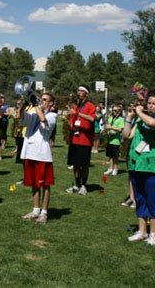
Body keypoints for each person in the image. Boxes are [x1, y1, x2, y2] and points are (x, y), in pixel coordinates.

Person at [122, 86, 155, 246]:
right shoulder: (141, 118)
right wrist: (129, 118)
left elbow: (154, 123)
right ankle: (142, 231)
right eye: (148, 103)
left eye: (153, 103)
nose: (150, 105)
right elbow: (127, 135)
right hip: (138, 165)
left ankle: (153, 233)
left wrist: (140, 112)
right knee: (140, 198)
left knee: (153, 200)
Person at [20, 93, 57, 224]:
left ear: (51, 103)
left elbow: (43, 121)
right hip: (30, 152)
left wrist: (35, 105)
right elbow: (21, 121)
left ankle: (44, 212)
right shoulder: (34, 113)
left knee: (45, 185)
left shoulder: (52, 115)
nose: (42, 101)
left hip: (42, 154)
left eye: (45, 99)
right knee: (34, 183)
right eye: (41, 98)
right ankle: (35, 210)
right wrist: (23, 105)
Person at [66, 85, 96, 195]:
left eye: (81, 91)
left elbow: (92, 118)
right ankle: (77, 184)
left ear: (86, 94)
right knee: (75, 164)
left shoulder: (90, 106)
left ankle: (84, 185)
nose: (78, 92)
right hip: (75, 139)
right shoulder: (77, 105)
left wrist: (77, 113)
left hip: (85, 140)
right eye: (78, 90)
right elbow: (73, 121)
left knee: (84, 165)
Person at [103, 104, 124, 176]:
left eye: (115, 110)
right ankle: (110, 168)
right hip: (109, 139)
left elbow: (120, 129)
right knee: (110, 156)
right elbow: (107, 125)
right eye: (113, 110)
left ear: (119, 111)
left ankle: (115, 169)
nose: (113, 112)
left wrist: (111, 127)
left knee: (115, 156)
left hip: (116, 141)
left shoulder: (121, 119)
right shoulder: (111, 118)